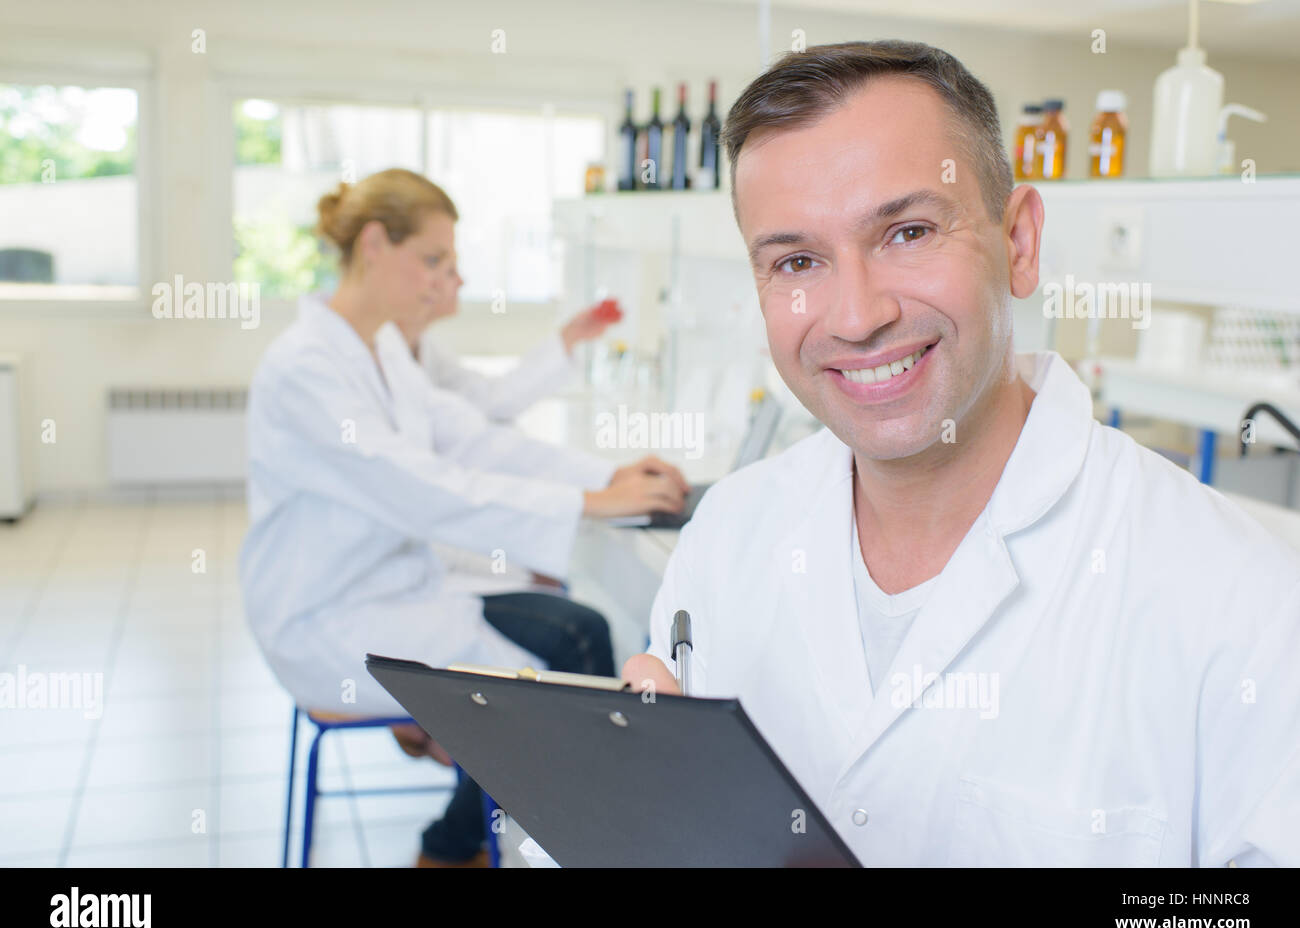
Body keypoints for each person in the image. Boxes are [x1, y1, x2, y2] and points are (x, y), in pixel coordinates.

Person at [623, 40, 1300, 866]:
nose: (856, 315)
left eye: (908, 232)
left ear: (1019, 243)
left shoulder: (1238, 599)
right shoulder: (730, 535)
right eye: (798, 260)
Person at [240, 168, 688, 866]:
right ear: (373, 244)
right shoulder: (304, 368)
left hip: (398, 585)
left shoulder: (382, 349)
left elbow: (474, 437)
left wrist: (606, 477)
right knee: (555, 685)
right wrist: (588, 503)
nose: (443, 278)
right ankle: (475, 837)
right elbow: (423, 487)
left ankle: (499, 815)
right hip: (326, 616)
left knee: (564, 642)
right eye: (432, 259)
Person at [408, 249, 620, 421]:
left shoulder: (426, 346)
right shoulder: (391, 345)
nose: (461, 281)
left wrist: (571, 335)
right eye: (449, 271)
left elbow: (495, 400)